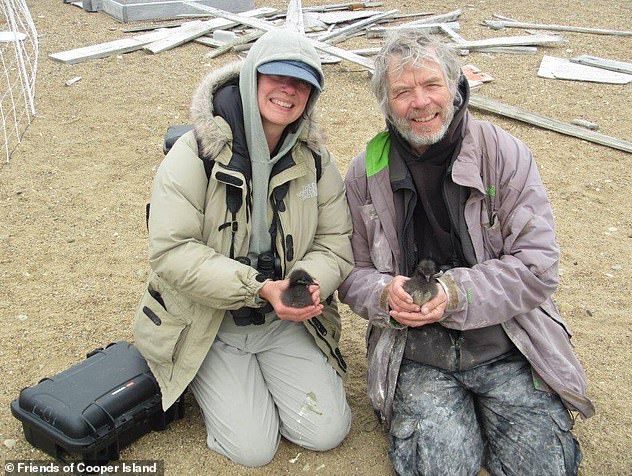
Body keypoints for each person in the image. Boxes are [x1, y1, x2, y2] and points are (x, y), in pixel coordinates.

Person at [338, 29, 595, 476]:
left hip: (506, 342)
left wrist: (455, 293)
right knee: (442, 466)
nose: (420, 102)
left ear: (456, 88)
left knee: (542, 467)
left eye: (431, 85)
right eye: (402, 91)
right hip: (416, 350)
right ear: (385, 101)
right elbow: (351, 272)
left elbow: (537, 266)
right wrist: (385, 295)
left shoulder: (505, 153)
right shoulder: (366, 171)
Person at [133, 29, 354, 467]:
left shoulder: (315, 158)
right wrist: (257, 288)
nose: (288, 90)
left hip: (281, 320)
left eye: (302, 82)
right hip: (210, 322)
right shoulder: (194, 151)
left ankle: (255, 378)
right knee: (253, 449)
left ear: (312, 94)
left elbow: (336, 243)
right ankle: (203, 372)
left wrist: (306, 284)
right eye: (276, 77)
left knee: (327, 431)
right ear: (251, 77)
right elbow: (171, 251)